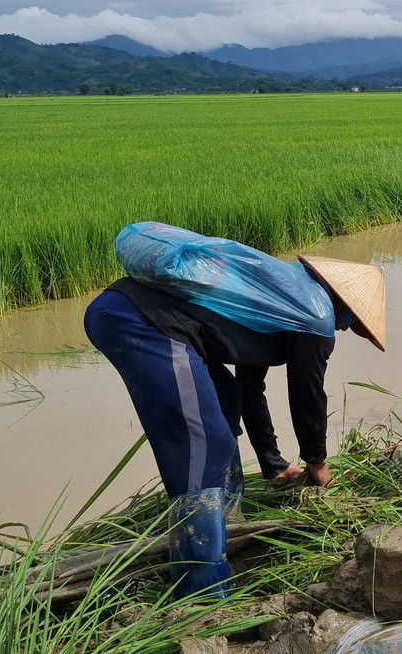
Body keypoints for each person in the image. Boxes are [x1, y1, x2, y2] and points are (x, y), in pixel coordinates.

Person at [83, 223, 386, 600]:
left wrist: (273, 464)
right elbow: (308, 396)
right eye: (349, 324)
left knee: (224, 401)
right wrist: (318, 464)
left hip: (120, 310)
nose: (343, 331)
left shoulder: (279, 294)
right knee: (203, 444)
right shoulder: (316, 317)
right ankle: (202, 596)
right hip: (143, 324)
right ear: (347, 311)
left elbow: (248, 387)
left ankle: (224, 526)